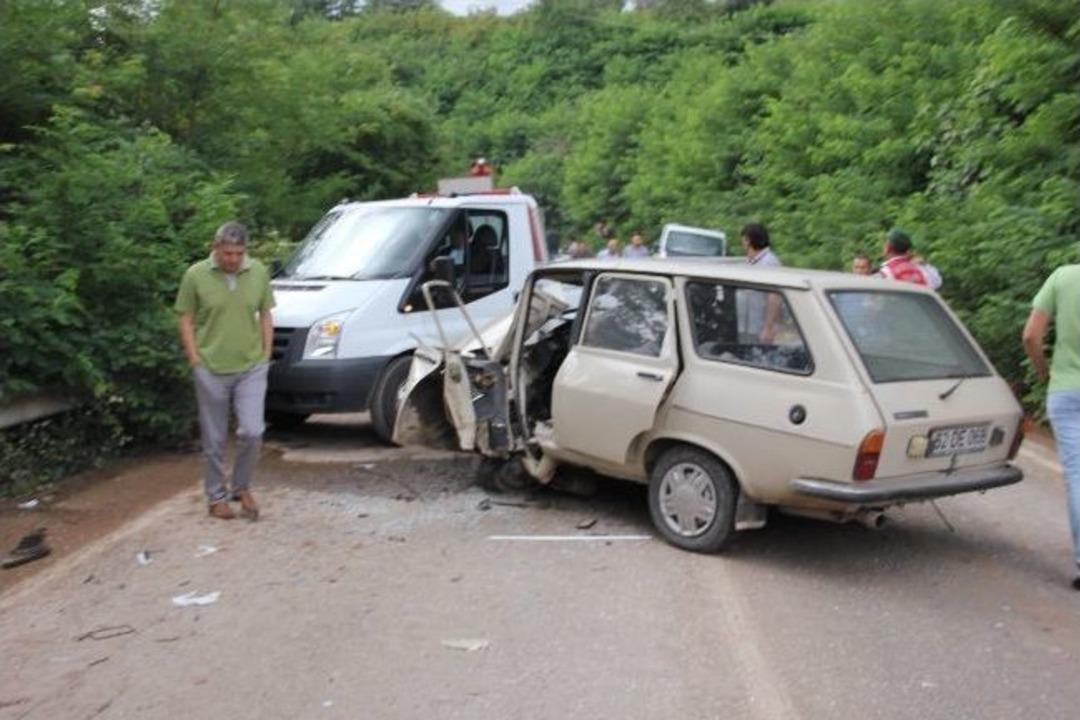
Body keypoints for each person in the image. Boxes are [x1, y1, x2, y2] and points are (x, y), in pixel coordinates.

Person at [176, 221, 275, 521]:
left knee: (252, 430)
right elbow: (185, 318)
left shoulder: (257, 271)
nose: (233, 259)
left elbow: (266, 314)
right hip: (211, 367)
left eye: (239, 253)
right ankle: (216, 496)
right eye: (228, 253)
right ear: (215, 248)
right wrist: (195, 359)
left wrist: (265, 354)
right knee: (214, 437)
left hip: (250, 366)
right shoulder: (195, 275)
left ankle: (241, 486)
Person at [1022, 261, 1080, 590]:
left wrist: (1044, 371)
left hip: (1067, 390)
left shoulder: (1064, 277)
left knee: (1077, 475)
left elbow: (1031, 335)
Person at [739, 222, 782, 343]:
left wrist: (768, 328)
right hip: (746, 325)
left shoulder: (769, 263)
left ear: (748, 240)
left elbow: (774, 298)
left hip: (759, 326)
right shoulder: (750, 261)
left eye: (743, 240)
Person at [877, 228, 942, 289]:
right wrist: (924, 264)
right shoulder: (921, 268)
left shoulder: (885, 272)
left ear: (888, 248)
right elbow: (937, 282)